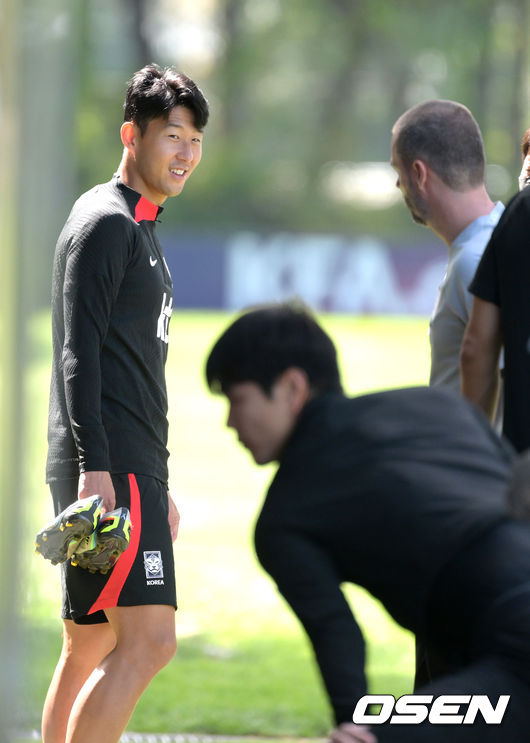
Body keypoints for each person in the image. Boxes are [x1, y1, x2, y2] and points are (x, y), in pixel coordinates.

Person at [206, 301, 530, 742]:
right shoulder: (433, 404)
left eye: (236, 399)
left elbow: (335, 630)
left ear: (292, 387)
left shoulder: (286, 513)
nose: (229, 423)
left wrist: (356, 726)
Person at [43, 64, 208, 743]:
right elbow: (75, 355)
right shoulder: (107, 223)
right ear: (130, 135)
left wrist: (156, 483)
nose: (185, 153)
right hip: (109, 470)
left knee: (87, 643)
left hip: (126, 469)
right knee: (148, 642)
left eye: (195, 139)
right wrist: (98, 472)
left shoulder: (141, 227)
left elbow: (136, 369)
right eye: (171, 135)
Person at [390, 99, 504, 396]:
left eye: (397, 171)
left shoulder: (475, 261)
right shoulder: (500, 239)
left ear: (419, 174)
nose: (397, 185)